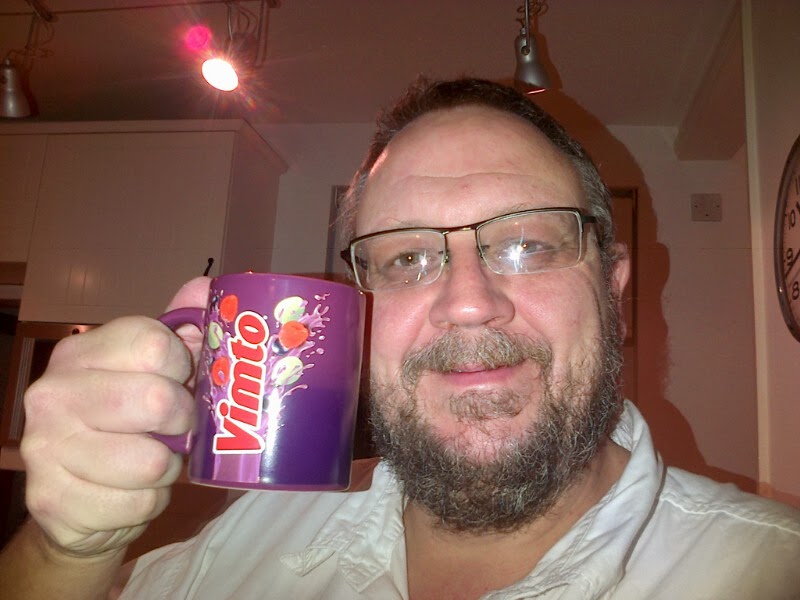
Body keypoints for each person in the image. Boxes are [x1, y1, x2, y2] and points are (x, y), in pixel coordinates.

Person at [1, 77, 799, 600]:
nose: (468, 304)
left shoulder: (767, 570)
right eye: (408, 259)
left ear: (614, 292)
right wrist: (70, 552)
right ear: (359, 318)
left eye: (528, 244)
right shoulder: (257, 530)